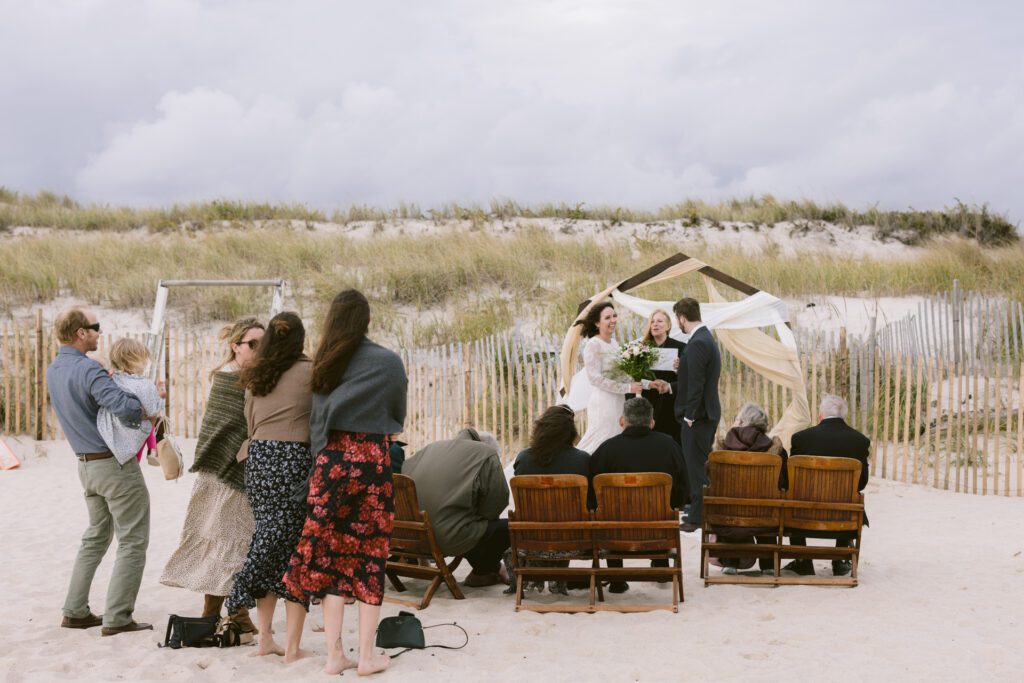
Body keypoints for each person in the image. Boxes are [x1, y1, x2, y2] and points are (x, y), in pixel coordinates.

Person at [282, 289, 407, 677]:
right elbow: (397, 415)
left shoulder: (325, 363)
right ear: (366, 321)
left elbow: (316, 423)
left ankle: (335, 655)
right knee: (370, 557)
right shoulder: (388, 362)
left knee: (332, 558)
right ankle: (366, 657)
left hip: (331, 463)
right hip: (370, 460)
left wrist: (323, 462)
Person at [47, 307, 156, 635]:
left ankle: (75, 610)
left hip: (85, 465)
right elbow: (126, 409)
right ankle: (118, 617)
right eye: (94, 328)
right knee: (133, 540)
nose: (99, 333)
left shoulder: (54, 369)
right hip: (113, 465)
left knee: (95, 538)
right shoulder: (90, 370)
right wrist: (147, 402)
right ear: (81, 332)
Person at [160, 318, 265, 635]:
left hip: (242, 472)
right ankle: (231, 614)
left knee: (236, 544)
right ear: (236, 346)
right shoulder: (227, 380)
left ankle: (226, 614)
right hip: (222, 474)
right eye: (254, 344)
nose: (261, 350)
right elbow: (228, 430)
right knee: (230, 544)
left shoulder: (255, 379)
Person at [226, 312, 313, 661]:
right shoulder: (311, 371)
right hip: (293, 458)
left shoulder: (256, 374)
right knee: (293, 553)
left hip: (258, 459)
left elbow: (250, 422)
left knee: (267, 538)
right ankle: (291, 648)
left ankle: (265, 639)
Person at [588, 397, 687, 593]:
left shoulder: (606, 450)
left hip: (614, 532)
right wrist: (672, 508)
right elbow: (683, 488)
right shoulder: (669, 446)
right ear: (652, 423)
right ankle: (661, 567)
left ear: (622, 421)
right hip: (659, 530)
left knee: (612, 513)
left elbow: (591, 496)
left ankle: (616, 579)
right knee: (660, 509)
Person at [402, 428, 511, 589]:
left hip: (410, 537)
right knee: (507, 527)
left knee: (467, 525)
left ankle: (489, 570)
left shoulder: (430, 450)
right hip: (445, 539)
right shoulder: (485, 454)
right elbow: (496, 504)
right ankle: (482, 572)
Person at [783, 394, 870, 578]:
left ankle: (803, 561)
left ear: (820, 415)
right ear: (843, 417)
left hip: (802, 513)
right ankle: (839, 561)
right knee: (849, 495)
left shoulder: (801, 438)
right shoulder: (860, 441)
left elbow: (792, 481)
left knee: (793, 496)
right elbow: (861, 483)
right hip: (843, 515)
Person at [510, 405, 591, 595]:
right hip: (574, 541)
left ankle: (536, 576)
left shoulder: (524, 458)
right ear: (571, 431)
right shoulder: (582, 460)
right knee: (564, 518)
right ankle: (558, 577)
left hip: (531, 539)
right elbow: (590, 503)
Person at [710, 402, 788, 575]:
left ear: (741, 422)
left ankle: (730, 561)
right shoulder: (776, 451)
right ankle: (767, 564)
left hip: (727, 517)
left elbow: (710, 480)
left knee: (728, 502)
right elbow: (784, 485)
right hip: (767, 518)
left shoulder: (722, 449)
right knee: (766, 505)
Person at [574, 302, 657, 453]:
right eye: (607, 318)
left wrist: (648, 384)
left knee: (616, 438)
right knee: (601, 438)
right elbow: (594, 378)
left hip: (619, 400)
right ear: (597, 323)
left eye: (614, 316)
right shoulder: (593, 345)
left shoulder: (614, 343)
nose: (613, 320)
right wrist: (627, 388)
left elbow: (623, 375)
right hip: (603, 402)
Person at [674, 297, 721, 531]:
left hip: (699, 416)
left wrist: (689, 416)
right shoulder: (705, 339)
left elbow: (697, 385)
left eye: (678, 320)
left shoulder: (698, 342)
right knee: (697, 465)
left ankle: (697, 518)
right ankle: (697, 513)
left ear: (682, 318)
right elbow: (692, 376)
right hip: (703, 414)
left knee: (696, 468)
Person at [96, 338, 164, 467]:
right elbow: (153, 411)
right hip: (132, 435)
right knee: (146, 428)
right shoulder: (144, 384)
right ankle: (152, 449)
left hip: (107, 435)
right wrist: (160, 397)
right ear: (133, 360)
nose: (145, 363)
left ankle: (150, 450)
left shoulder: (109, 379)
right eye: (143, 359)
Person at [641, 308, 686, 444]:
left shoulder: (682, 348)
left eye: (659, 321)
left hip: (671, 404)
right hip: (648, 402)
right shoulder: (642, 349)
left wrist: (680, 369)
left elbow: (688, 379)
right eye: (652, 321)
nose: (655, 324)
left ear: (668, 326)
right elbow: (634, 377)